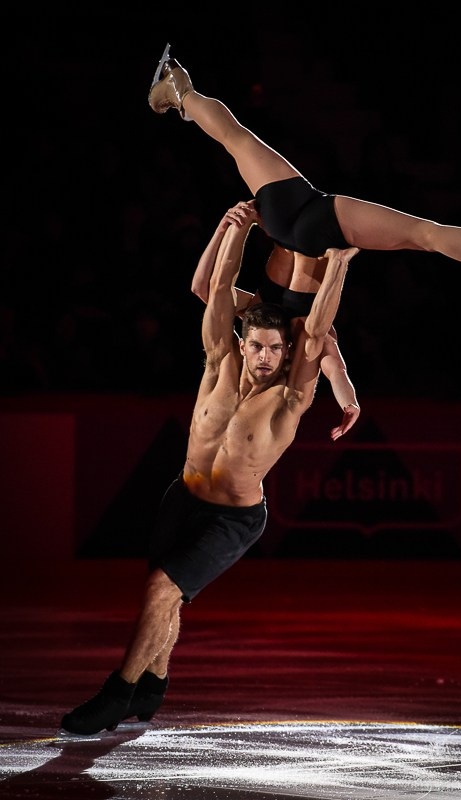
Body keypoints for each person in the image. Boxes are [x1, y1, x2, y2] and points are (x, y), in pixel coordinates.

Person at [60, 204, 359, 735]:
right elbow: (217, 288)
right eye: (257, 347)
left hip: (233, 520)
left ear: (284, 352)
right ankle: (152, 686)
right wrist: (235, 229)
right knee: (166, 596)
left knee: (161, 589)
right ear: (243, 344)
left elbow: (315, 331)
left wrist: (336, 267)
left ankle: (117, 694)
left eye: (274, 349)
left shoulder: (291, 395)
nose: (265, 357)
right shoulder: (220, 358)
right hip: (184, 497)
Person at [147, 43, 461, 324]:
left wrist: (334, 270)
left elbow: (322, 342)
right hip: (285, 218)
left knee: (425, 236)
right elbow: (203, 288)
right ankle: (180, 90)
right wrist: (232, 228)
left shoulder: (298, 345)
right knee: (235, 138)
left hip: (318, 238)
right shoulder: (253, 312)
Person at [191, 200, 360, 441]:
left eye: (263, 348)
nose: (264, 358)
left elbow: (202, 288)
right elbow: (336, 370)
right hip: (312, 258)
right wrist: (349, 402)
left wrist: (224, 227)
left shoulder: (254, 315)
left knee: (217, 294)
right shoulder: (305, 338)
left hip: (285, 259)